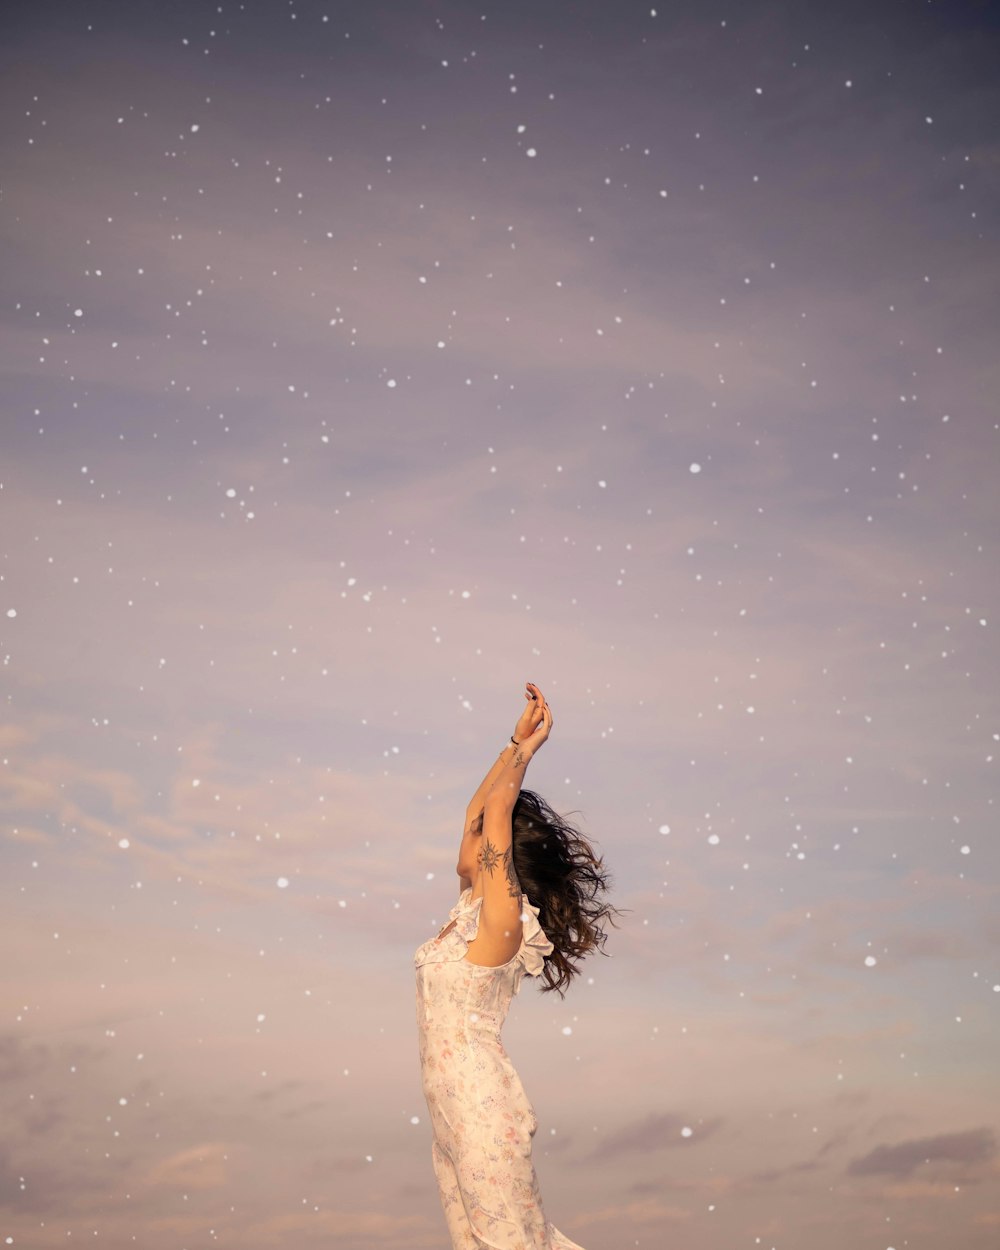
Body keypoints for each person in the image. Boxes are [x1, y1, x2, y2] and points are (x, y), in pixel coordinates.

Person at [414, 681, 619, 1249]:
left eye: (482, 837)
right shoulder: (469, 908)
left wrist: (530, 751)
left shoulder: (504, 920)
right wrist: (510, 741)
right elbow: (476, 811)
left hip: (481, 1107)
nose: (471, 833)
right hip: (451, 1115)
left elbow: (495, 811)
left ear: (498, 856)